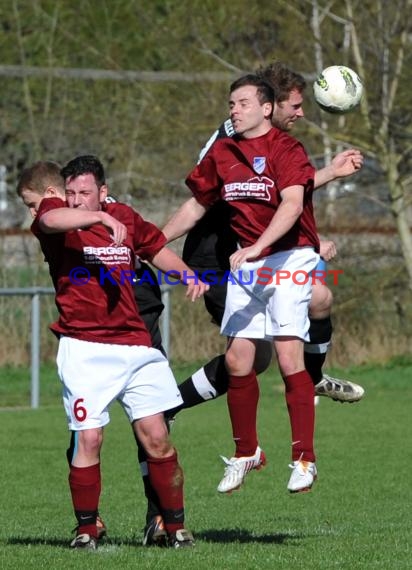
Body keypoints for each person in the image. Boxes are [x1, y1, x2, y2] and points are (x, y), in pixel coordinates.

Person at [18, 155, 209, 550]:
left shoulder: (125, 215)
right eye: (70, 192)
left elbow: (155, 249)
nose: (75, 200)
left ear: (103, 192)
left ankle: (174, 527)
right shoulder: (57, 213)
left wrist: (187, 274)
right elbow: (51, 220)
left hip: (134, 344)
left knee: (157, 435)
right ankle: (87, 529)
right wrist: (99, 219)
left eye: (85, 193)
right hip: (85, 345)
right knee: (89, 438)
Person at [163, 73, 332, 496]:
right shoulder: (223, 151)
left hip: (288, 257)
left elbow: (293, 204)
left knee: (288, 355)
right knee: (239, 361)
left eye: (241, 103)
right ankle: (247, 452)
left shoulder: (286, 147)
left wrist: (258, 245)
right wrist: (152, 242)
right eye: (231, 103)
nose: (233, 110)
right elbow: (196, 205)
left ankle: (305, 459)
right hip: (250, 260)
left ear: (266, 107)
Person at [171, 62, 365, 413]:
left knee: (317, 300)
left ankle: (313, 377)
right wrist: (152, 241)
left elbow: (278, 193)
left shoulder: (272, 143)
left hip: (253, 248)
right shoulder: (231, 141)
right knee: (246, 360)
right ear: (270, 105)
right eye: (294, 106)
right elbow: (236, 200)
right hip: (216, 254)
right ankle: (166, 406)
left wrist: (330, 178)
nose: (301, 113)